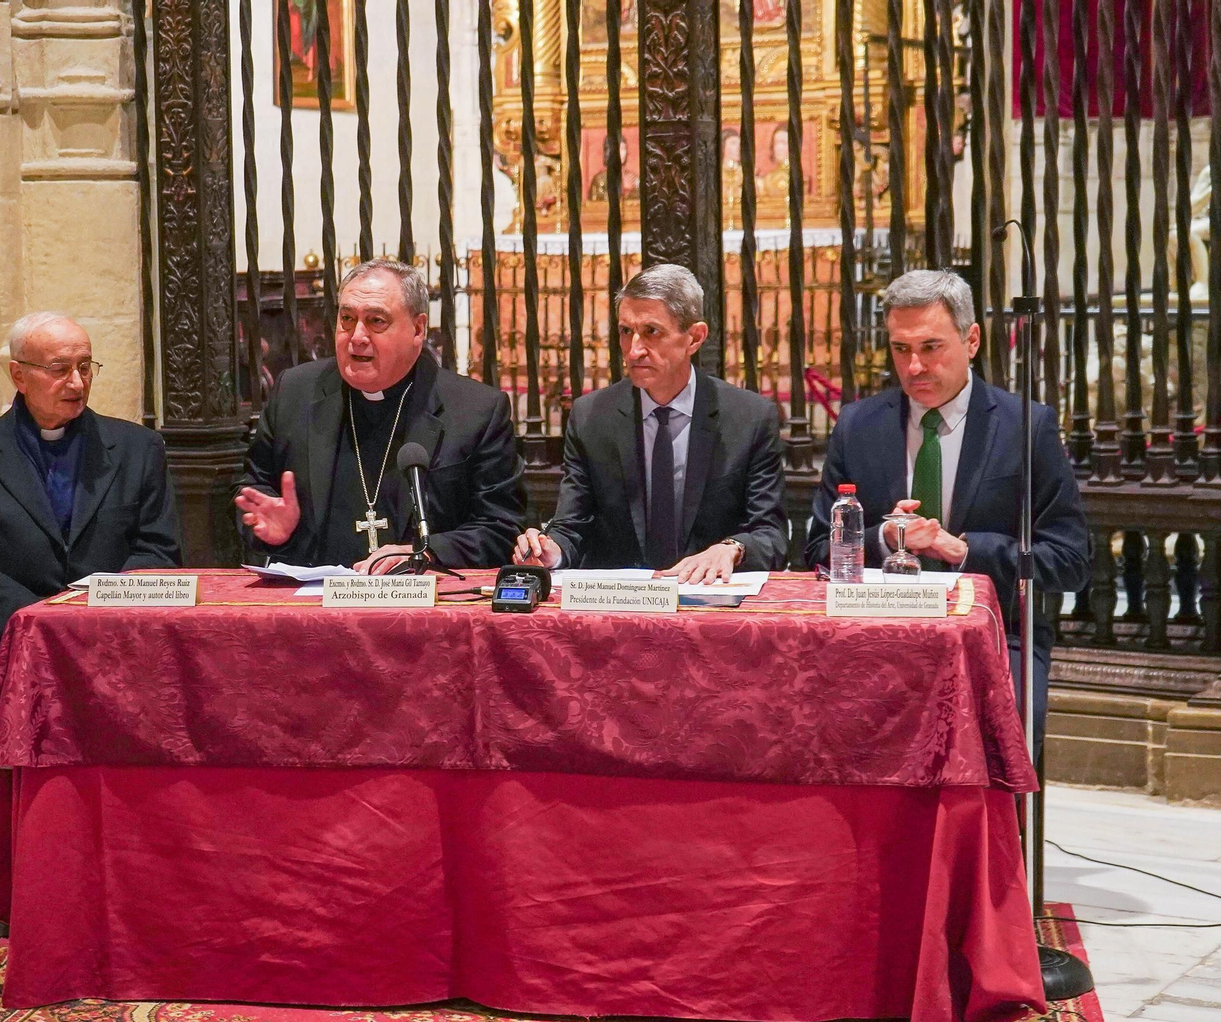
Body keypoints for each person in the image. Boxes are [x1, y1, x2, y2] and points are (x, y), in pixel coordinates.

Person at [802, 269, 1090, 742]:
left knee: (1003, 732)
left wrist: (964, 550)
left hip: (995, 631)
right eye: (901, 349)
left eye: (931, 347)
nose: (914, 366)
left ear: (971, 340)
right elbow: (815, 552)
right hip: (877, 629)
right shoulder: (858, 426)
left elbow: (1070, 560)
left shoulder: (1025, 426)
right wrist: (884, 538)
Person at [0, 312, 182, 725]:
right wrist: (45, 619)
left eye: (85, 367)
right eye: (59, 369)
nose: (77, 383)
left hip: (115, 647)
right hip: (10, 644)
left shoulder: (138, 448)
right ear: (19, 375)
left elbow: (159, 550)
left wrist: (94, 613)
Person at [236, 258, 524, 573]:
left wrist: (425, 553)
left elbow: (503, 527)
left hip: (421, 599)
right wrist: (274, 531)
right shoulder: (295, 394)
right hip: (316, 597)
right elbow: (252, 489)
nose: (357, 336)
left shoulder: (475, 410)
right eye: (347, 319)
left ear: (417, 329)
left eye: (376, 321)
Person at [513, 263, 788, 583]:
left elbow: (771, 535)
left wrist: (732, 549)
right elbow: (572, 526)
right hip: (620, 600)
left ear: (695, 337)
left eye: (651, 332)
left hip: (708, 594)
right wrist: (551, 549)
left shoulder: (749, 418)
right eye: (625, 332)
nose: (634, 350)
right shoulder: (592, 417)